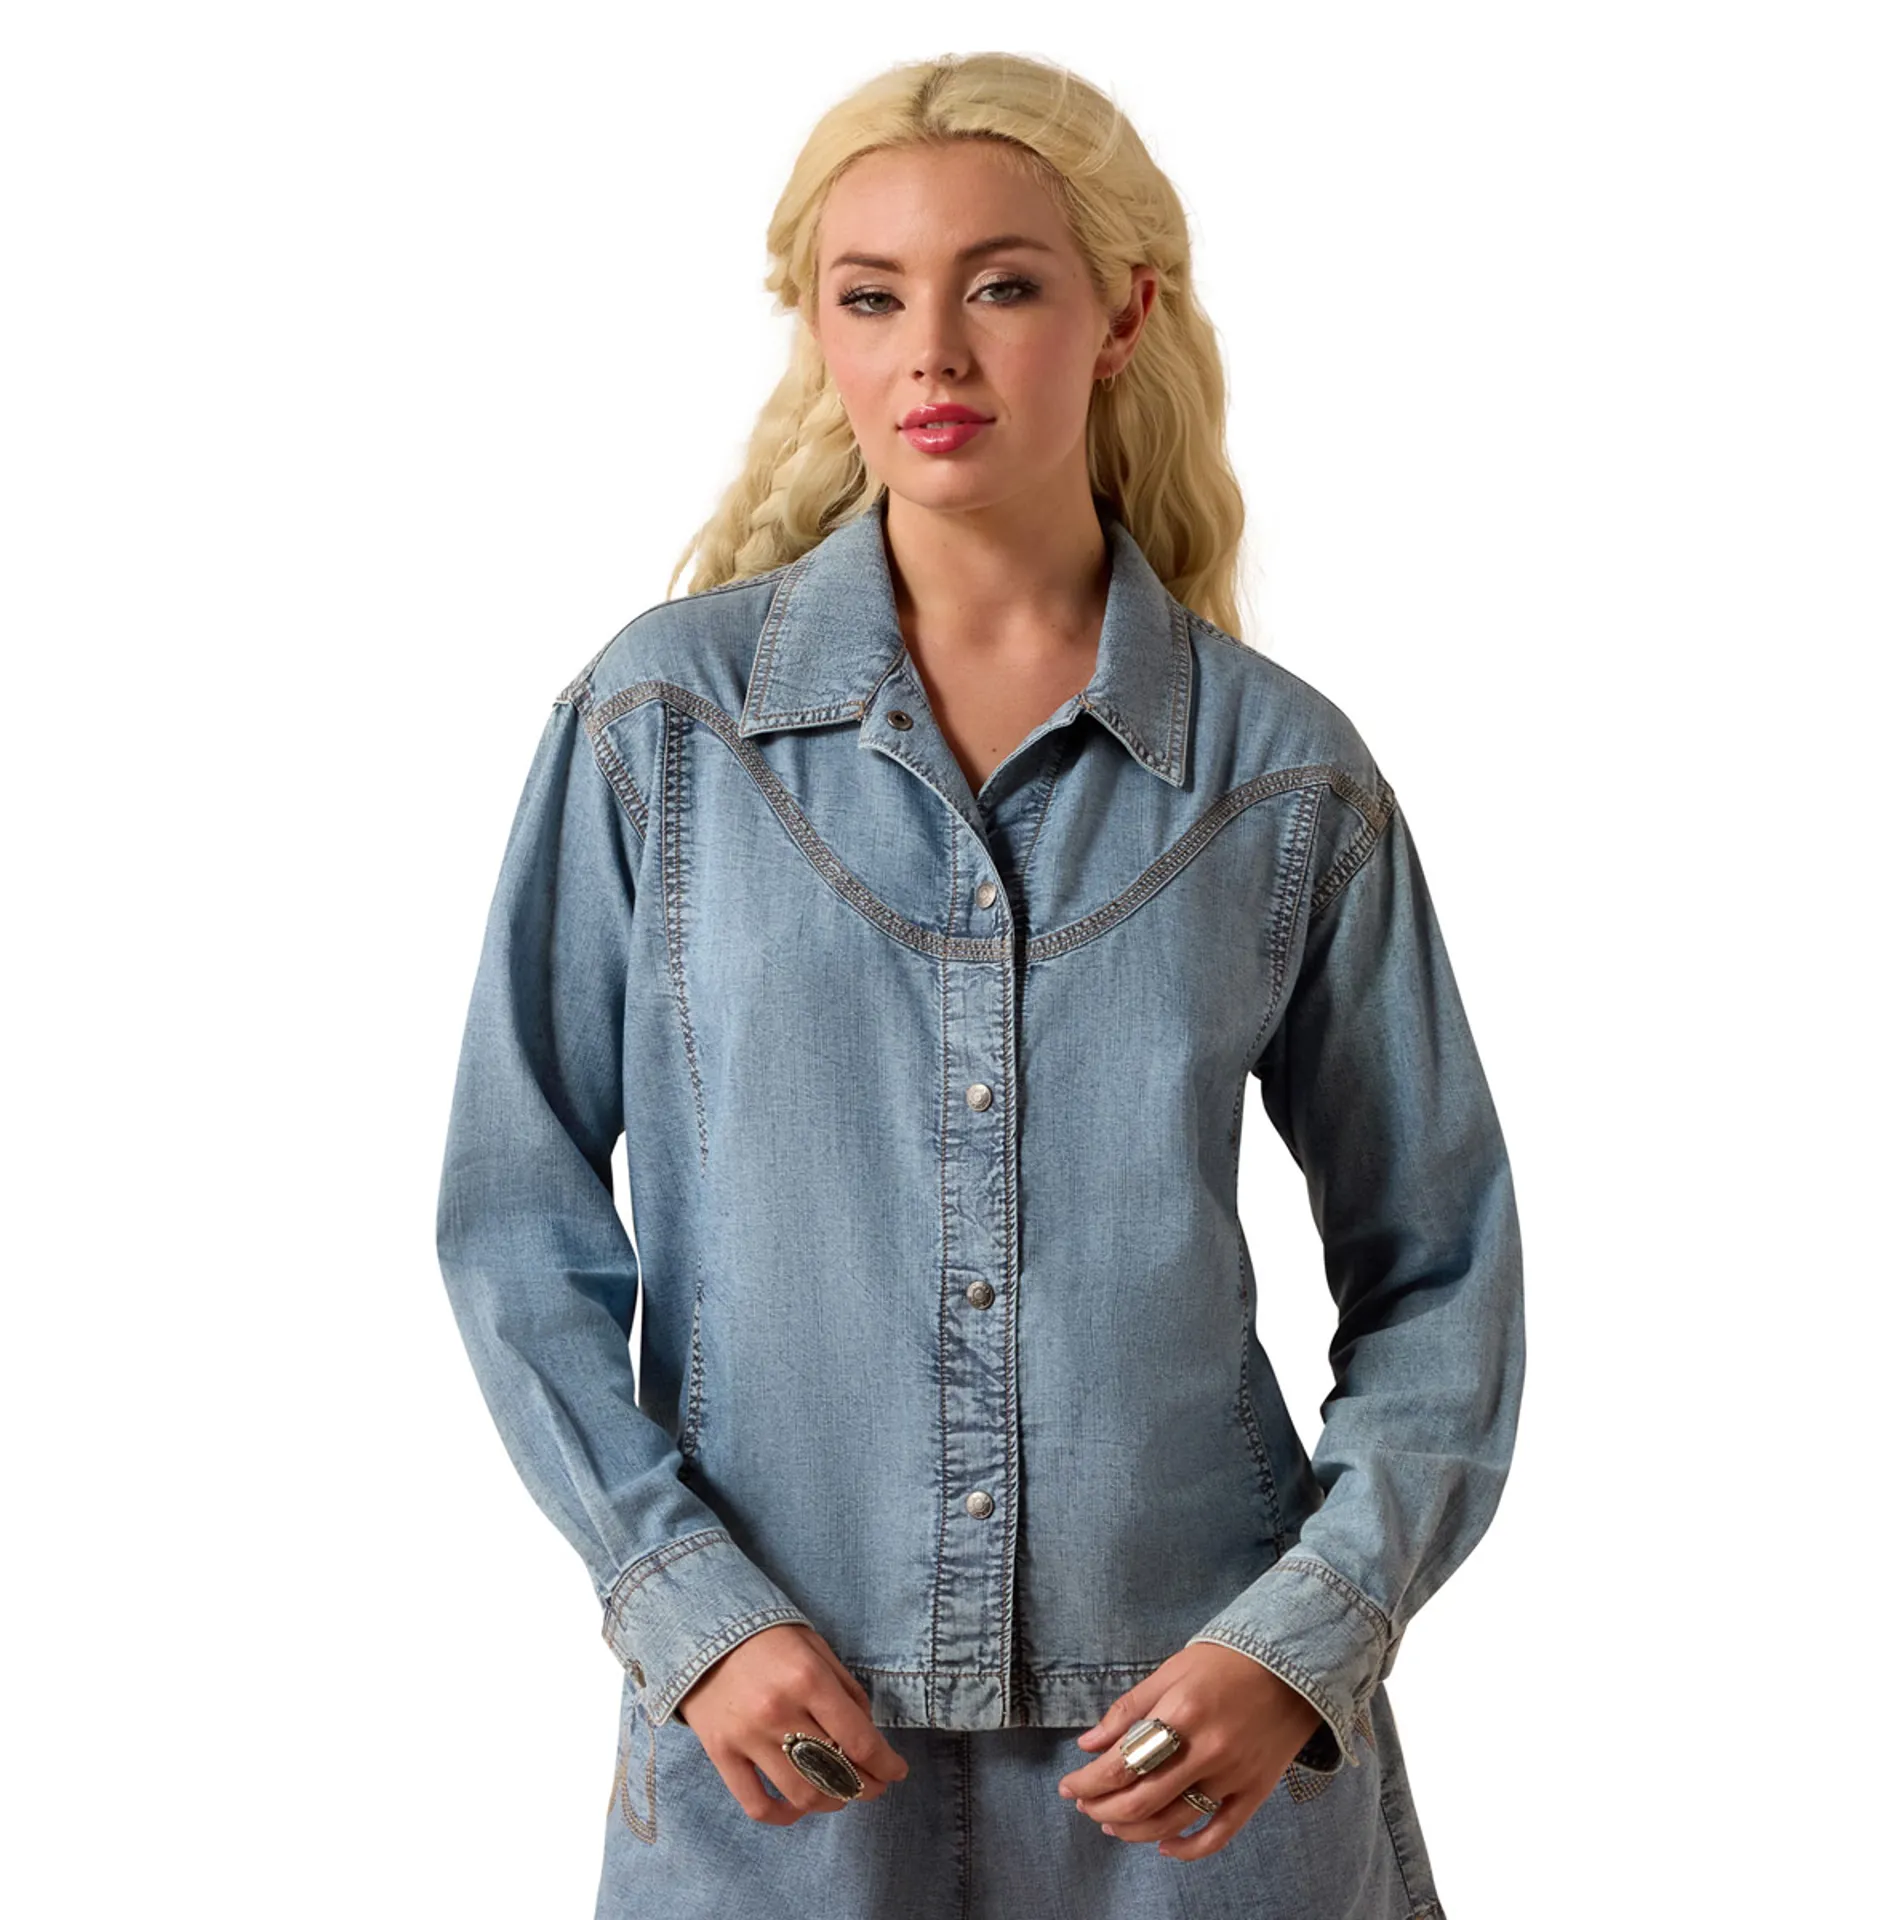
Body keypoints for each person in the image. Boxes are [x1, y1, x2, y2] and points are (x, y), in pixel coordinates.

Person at [435, 49, 1523, 1920]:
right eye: (872, 297)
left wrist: (1304, 1642)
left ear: (1123, 315)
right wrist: (685, 1609)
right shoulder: (663, 731)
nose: (933, 351)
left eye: (1002, 285)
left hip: (1193, 1774)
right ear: (820, 332)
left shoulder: (1280, 778)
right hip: (773, 1761)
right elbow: (515, 1221)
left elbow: (1443, 1270)